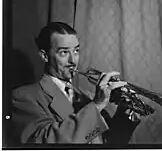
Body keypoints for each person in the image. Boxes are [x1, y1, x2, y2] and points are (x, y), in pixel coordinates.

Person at [11, 22, 141, 145]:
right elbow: (46, 142)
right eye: (64, 52)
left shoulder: (87, 96)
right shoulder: (24, 97)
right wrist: (97, 105)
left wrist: (126, 112)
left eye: (76, 51)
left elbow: (109, 143)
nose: (73, 60)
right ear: (45, 56)